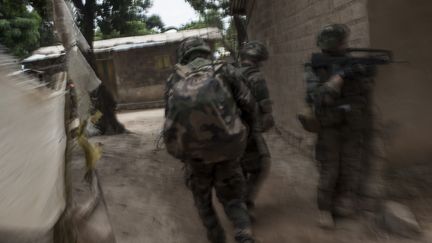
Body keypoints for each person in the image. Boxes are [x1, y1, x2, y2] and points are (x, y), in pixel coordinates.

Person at [164, 37, 257, 243]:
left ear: (184, 55)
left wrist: (180, 150)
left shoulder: (174, 78)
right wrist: (246, 133)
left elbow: (170, 117)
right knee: (232, 195)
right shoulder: (225, 70)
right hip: (227, 145)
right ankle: (243, 234)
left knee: (202, 198)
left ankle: (215, 236)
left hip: (194, 153)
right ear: (206, 51)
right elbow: (248, 103)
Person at [304, 24, 374, 227]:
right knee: (330, 167)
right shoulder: (315, 67)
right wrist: (338, 79)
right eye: (342, 41)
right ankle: (324, 209)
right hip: (329, 126)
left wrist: (356, 73)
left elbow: (365, 88)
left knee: (350, 164)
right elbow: (315, 96)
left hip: (352, 123)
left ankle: (344, 201)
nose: (346, 44)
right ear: (333, 44)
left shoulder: (350, 63)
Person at [237, 41, 275, 209]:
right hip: (248, 129)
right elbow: (265, 106)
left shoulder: (230, 73)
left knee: (238, 167)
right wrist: (266, 118)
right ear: (259, 59)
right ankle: (245, 203)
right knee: (261, 164)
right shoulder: (256, 76)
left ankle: (239, 202)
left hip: (229, 128)